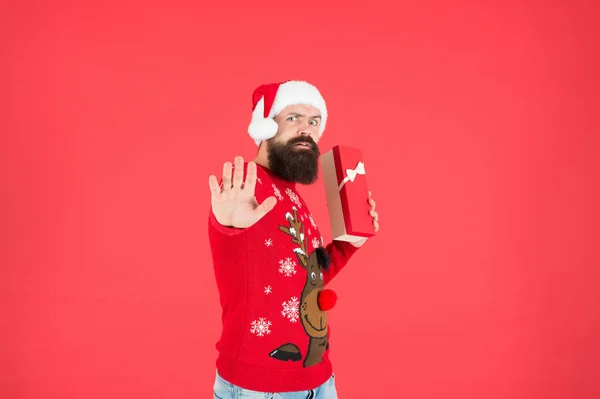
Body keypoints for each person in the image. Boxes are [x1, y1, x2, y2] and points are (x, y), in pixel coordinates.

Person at [207, 80, 379, 398]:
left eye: (314, 121)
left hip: (319, 381)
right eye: (293, 117)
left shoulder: (293, 196)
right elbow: (229, 241)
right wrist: (228, 227)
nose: (306, 129)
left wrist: (348, 246)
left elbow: (306, 281)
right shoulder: (247, 187)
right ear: (265, 126)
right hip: (259, 389)